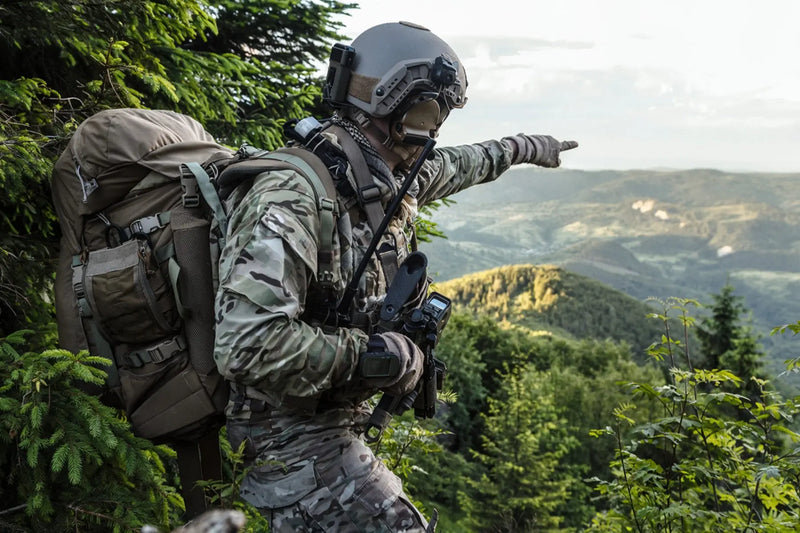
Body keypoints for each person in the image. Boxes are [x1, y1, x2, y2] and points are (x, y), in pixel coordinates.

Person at [214, 21, 577, 532]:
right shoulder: (290, 197)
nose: (432, 134)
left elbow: (466, 162)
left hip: (332, 415)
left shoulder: (384, 177)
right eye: (428, 114)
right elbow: (247, 344)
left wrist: (529, 147)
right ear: (386, 103)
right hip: (284, 431)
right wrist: (378, 356)